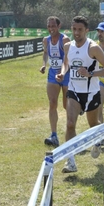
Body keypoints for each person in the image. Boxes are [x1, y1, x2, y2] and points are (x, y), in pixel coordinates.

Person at [55, 16, 104, 173]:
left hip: (91, 93)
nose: (76, 32)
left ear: (87, 30)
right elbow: (66, 63)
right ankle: (70, 161)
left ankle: (98, 139)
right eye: (74, 29)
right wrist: (62, 73)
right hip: (73, 91)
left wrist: (90, 73)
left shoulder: (93, 48)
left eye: (80, 29)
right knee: (70, 124)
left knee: (93, 125)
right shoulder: (67, 46)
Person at [39, 16, 70, 147]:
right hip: (52, 74)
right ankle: (54, 135)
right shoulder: (46, 40)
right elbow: (46, 53)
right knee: (52, 103)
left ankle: (70, 132)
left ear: (59, 26)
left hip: (66, 74)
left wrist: (62, 73)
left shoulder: (65, 40)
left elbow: (68, 60)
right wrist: (44, 65)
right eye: (49, 26)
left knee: (66, 106)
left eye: (53, 26)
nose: (51, 28)